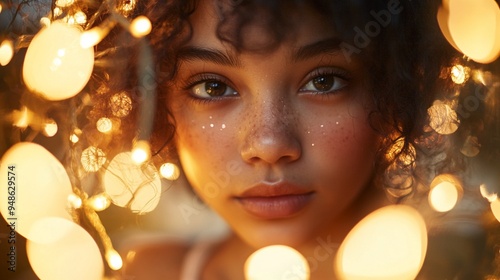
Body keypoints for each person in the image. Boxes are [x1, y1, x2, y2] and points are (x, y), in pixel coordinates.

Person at [101, 0, 497, 279]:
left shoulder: (471, 266)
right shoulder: (143, 273)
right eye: (212, 87)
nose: (269, 144)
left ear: (397, 89)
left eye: (324, 81)